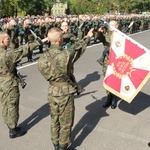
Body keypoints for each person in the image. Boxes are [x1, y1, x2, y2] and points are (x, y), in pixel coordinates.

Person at [38, 27, 93, 150]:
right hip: (65, 92)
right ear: (60, 40)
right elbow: (79, 48)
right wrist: (88, 36)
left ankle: (55, 144)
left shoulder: (42, 58)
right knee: (66, 121)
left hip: (52, 90)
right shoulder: (66, 55)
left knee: (54, 119)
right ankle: (63, 145)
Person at [0, 32, 40, 138]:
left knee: (4, 104)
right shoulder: (7, 54)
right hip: (9, 83)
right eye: (8, 38)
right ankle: (13, 130)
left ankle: (9, 124)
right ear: (2, 41)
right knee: (12, 105)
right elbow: (23, 50)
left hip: (1, 83)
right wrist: (38, 42)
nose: (10, 40)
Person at [99, 20, 118, 109]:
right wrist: (99, 32)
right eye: (109, 25)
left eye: (113, 25)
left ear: (117, 26)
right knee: (107, 79)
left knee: (114, 80)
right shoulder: (106, 35)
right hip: (107, 61)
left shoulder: (121, 36)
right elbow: (99, 38)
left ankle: (114, 98)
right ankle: (109, 97)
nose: (110, 27)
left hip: (116, 61)